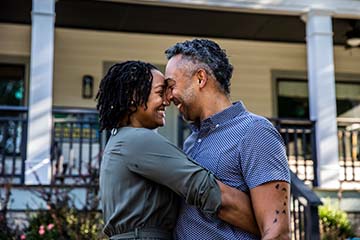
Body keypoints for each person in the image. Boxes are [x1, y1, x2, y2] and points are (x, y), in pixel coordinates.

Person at [96, 61, 259, 240]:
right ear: (133, 97)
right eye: (160, 92)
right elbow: (209, 192)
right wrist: (269, 226)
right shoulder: (137, 140)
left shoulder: (120, 140)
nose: (167, 101)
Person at [164, 39, 291, 239]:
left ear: (200, 78)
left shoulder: (255, 131)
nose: (168, 96)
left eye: (171, 85)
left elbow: (277, 232)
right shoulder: (190, 142)